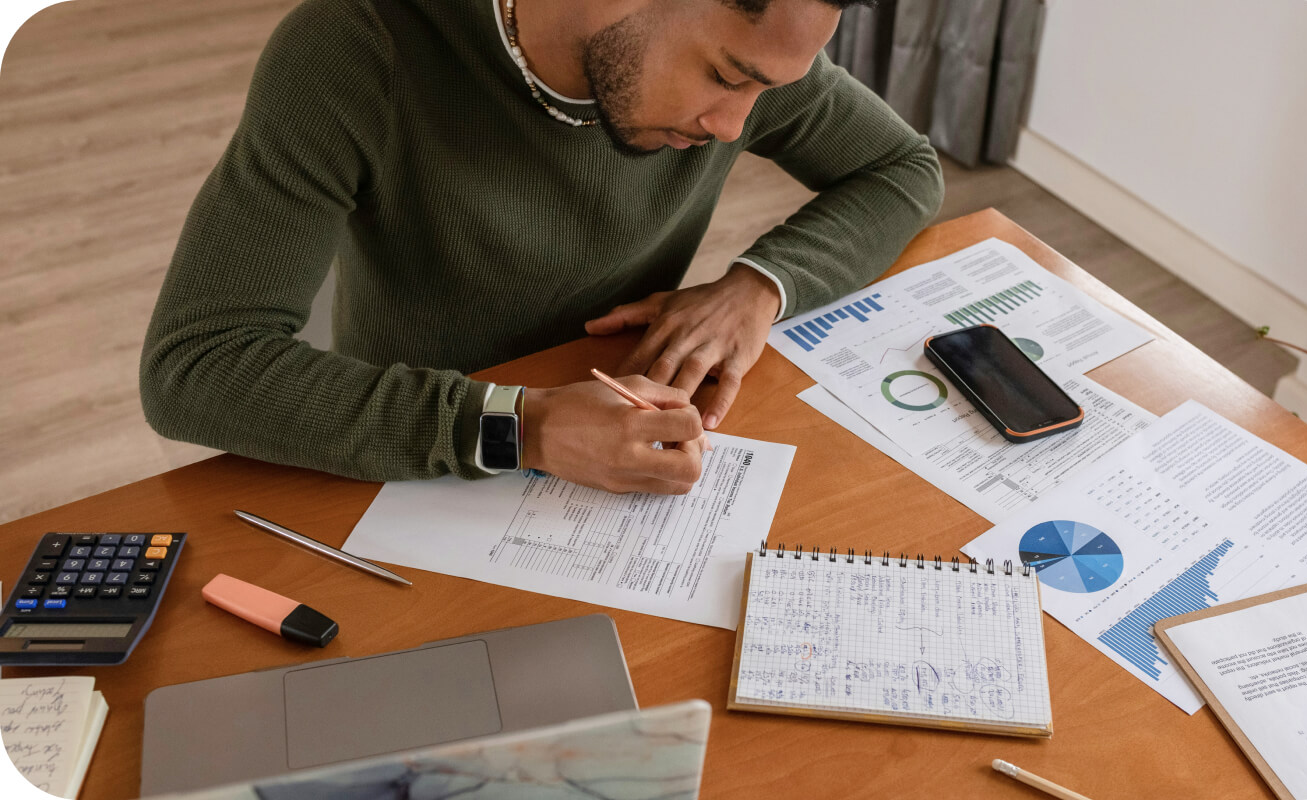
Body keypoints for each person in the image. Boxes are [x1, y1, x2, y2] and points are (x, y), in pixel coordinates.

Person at [140, 0, 944, 495]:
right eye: (725, 77)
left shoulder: (756, 51)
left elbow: (903, 167)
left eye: (763, 88)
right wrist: (525, 430)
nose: (733, 128)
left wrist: (760, 286)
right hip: (407, 442)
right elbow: (196, 367)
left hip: (612, 429)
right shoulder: (355, 46)